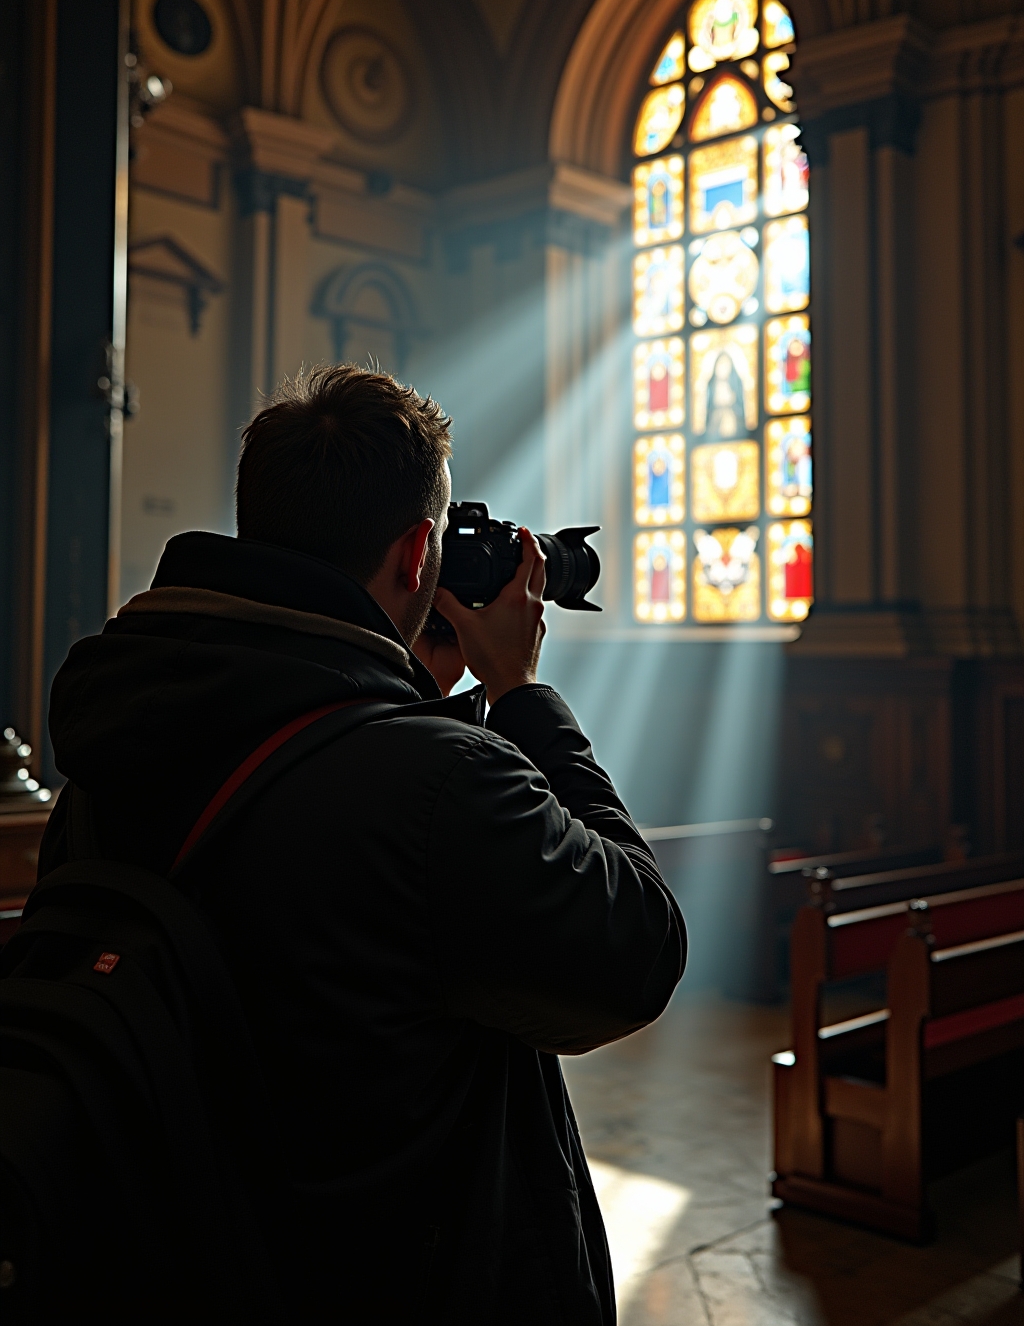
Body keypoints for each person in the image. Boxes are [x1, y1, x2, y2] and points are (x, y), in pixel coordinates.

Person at [43, 364, 686, 1324]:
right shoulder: (441, 782)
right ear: (419, 550)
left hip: (189, 1262)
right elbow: (637, 949)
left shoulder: (116, 748)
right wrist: (515, 693)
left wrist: (398, 688)